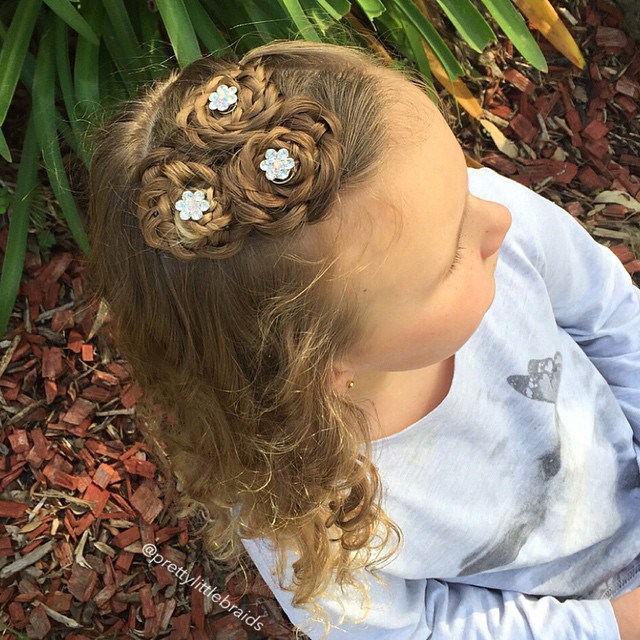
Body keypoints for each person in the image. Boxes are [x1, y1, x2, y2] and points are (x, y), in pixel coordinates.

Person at [85, 38, 640, 639]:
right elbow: (414, 631)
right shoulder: (301, 498)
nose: (499, 220)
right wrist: (612, 624)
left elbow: (611, 315)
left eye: (465, 185)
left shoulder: (459, 217)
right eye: (449, 262)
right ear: (322, 364)